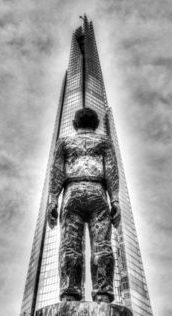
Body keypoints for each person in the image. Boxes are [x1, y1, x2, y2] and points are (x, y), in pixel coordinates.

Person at [47, 107, 121, 303]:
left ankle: (69, 294)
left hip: (72, 193)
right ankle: (103, 294)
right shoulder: (104, 141)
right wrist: (115, 200)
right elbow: (111, 171)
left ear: (74, 124)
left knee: (69, 246)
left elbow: (57, 173)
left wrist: (53, 201)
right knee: (103, 245)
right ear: (96, 124)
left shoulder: (64, 142)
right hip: (98, 193)